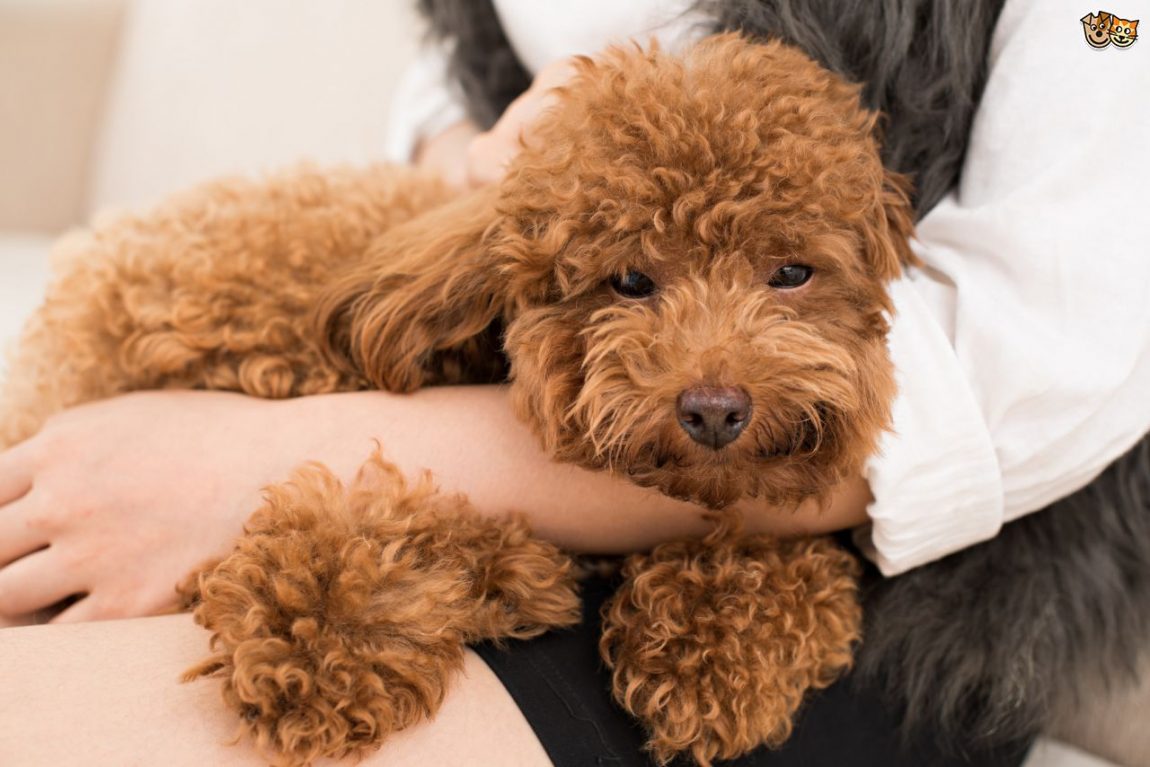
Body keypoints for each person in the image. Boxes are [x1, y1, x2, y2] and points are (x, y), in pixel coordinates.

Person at [0, 0, 1147, 764]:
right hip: (514, 365)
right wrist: (485, 166)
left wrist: (273, 459)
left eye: (785, 272)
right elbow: (452, 99)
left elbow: (1004, 373)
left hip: (901, 578)